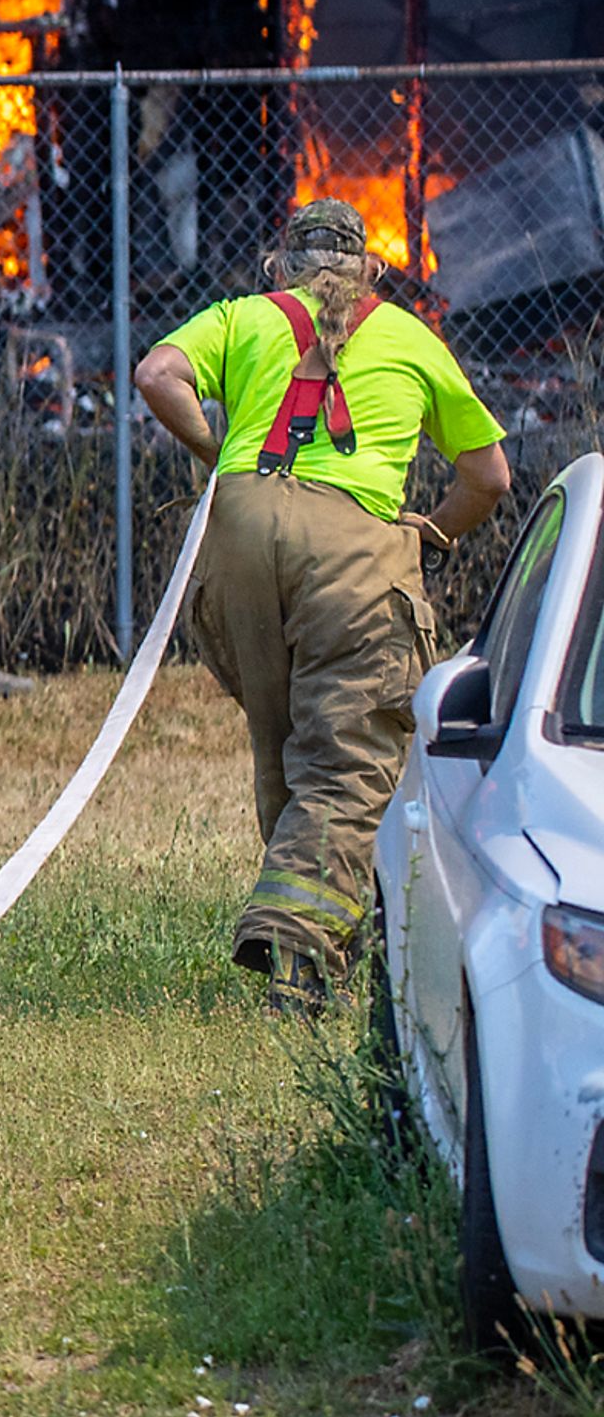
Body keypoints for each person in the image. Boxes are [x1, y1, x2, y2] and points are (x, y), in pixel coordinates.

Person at [131, 197, 512, 1004]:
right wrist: (431, 534)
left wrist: (216, 454)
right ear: (368, 267)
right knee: (350, 755)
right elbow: (489, 477)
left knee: (285, 738)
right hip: (353, 550)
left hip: (237, 541)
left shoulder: (241, 317)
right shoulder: (411, 337)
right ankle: (299, 950)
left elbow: (156, 374)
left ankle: (322, 926)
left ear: (283, 265)